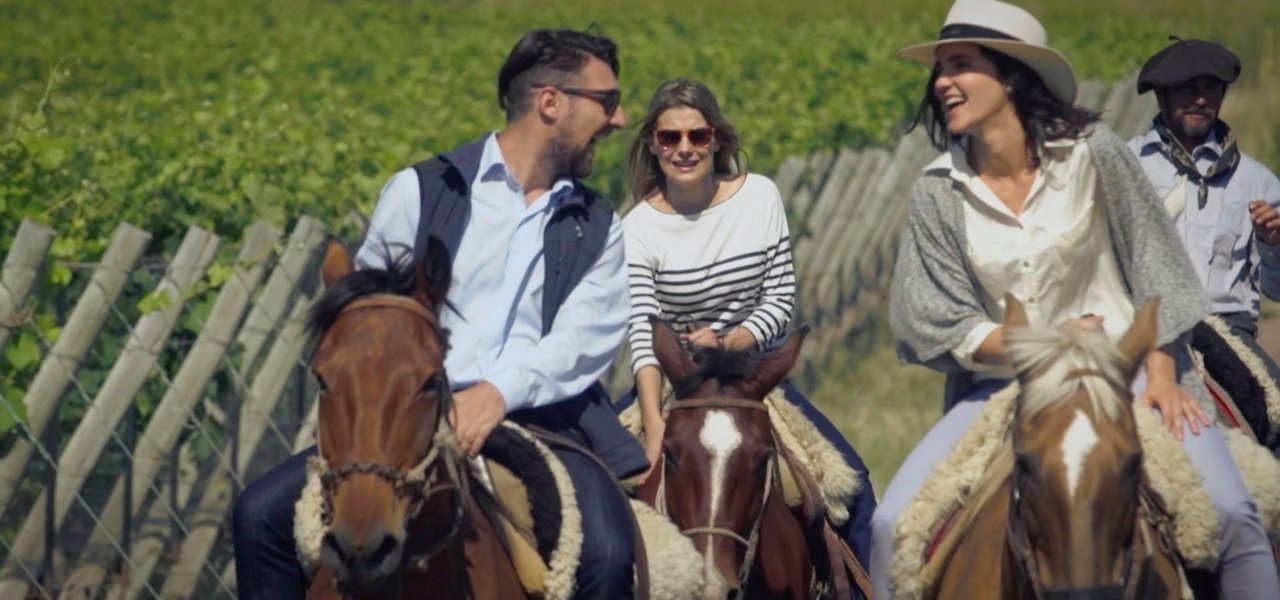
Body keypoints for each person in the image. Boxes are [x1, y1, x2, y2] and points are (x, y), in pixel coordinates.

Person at [877, 1, 1280, 598]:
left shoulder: (1094, 152)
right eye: (939, 69)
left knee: (1233, 517)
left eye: (959, 65)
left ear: (1011, 73)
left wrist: (1165, 374)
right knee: (890, 529)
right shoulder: (939, 188)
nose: (941, 82)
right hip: (1006, 386)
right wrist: (1043, 344)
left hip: (1128, 373)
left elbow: (1158, 266)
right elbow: (931, 319)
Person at [232, 28, 647, 600]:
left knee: (606, 554)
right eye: (606, 101)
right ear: (551, 102)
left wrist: (499, 392)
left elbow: (585, 339)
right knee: (257, 516)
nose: (620, 118)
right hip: (405, 414)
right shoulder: (418, 191)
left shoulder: (599, 225)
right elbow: (367, 321)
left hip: (541, 418)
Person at [616, 78, 876, 575]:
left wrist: (731, 344)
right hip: (676, 382)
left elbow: (780, 298)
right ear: (652, 144)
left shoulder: (759, 196)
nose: (685, 149)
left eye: (698, 135)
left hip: (753, 377)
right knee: (592, 492)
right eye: (670, 138)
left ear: (718, 139)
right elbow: (643, 335)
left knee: (854, 491)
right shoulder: (638, 228)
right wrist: (653, 428)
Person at [1127, 38, 1280, 448]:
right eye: (1186, 89)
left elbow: (1275, 290)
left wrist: (1272, 243)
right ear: (1162, 96)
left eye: (1211, 89)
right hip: (1139, 324)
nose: (1200, 99)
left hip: (1225, 331)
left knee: (1277, 413)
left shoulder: (1260, 181)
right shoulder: (1125, 167)